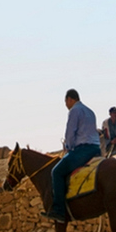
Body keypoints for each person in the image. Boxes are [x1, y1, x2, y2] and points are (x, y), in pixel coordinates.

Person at [43, 89, 102, 223]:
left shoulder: (74, 111)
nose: (66, 105)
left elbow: (70, 133)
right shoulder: (90, 111)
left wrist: (68, 148)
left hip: (82, 150)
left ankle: (59, 210)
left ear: (70, 99)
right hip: (96, 149)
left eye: (66, 102)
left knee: (56, 172)